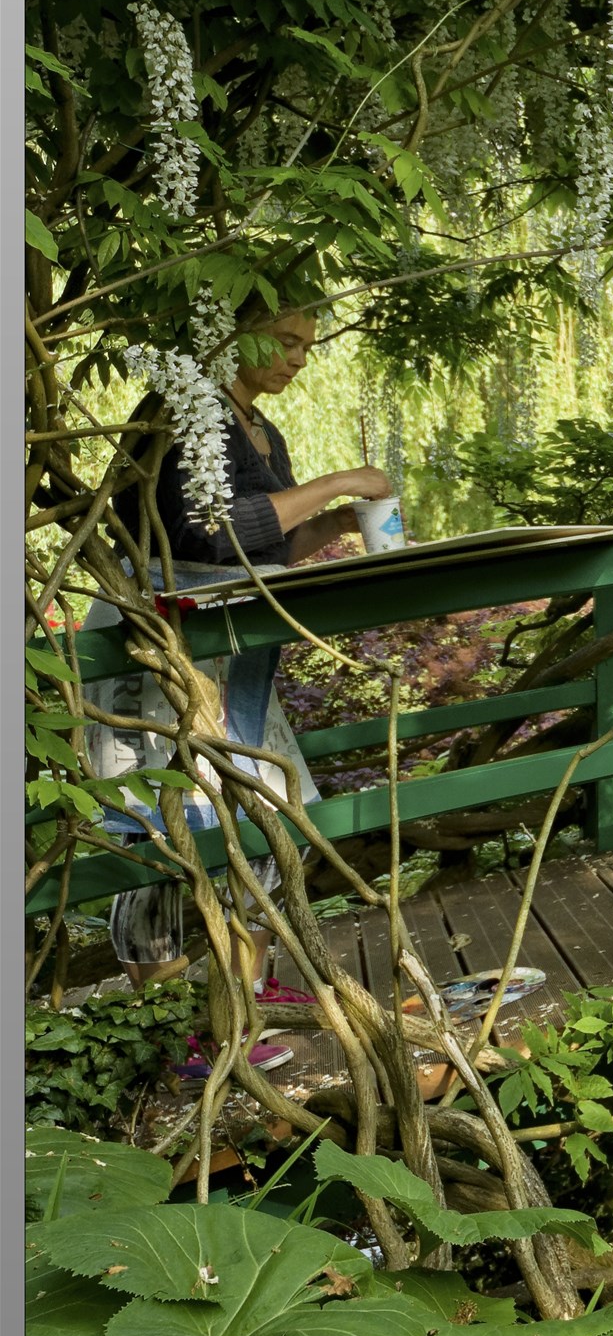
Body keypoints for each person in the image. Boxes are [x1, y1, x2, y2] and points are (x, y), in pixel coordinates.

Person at [90, 307, 395, 1071]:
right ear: (231, 332)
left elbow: (268, 543)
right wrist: (341, 478)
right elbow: (206, 530)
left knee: (266, 812)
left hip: (237, 659)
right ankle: (172, 1018)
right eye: (287, 342)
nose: (300, 360)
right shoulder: (181, 411)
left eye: (307, 347)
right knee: (169, 830)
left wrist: (334, 524)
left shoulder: (264, 433)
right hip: (166, 655)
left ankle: (247, 992)